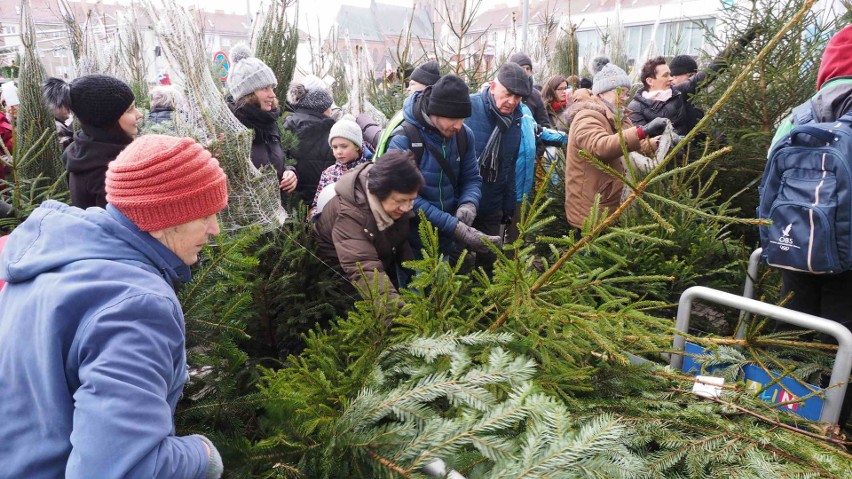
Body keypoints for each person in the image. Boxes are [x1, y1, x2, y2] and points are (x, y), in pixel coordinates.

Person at [0, 134, 227, 479]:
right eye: (205, 215)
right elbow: (119, 469)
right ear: (165, 217)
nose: (216, 230)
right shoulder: (137, 306)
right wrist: (203, 454)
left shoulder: (55, 259)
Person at [766, 25, 852, 429]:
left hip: (794, 249)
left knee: (792, 330)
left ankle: (785, 411)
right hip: (848, 262)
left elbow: (768, 183)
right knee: (845, 343)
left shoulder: (798, 116)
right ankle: (837, 427)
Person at [385, 74, 496, 257]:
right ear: (435, 111)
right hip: (413, 245)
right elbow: (403, 198)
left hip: (449, 243)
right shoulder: (404, 139)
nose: (459, 126)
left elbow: (472, 178)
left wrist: (469, 203)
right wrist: (454, 227)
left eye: (463, 119)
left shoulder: (464, 135)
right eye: (454, 119)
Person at [314, 150, 423, 307]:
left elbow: (398, 241)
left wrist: (417, 279)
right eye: (400, 201)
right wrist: (401, 318)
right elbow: (364, 270)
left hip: (379, 266)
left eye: (411, 200)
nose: (407, 208)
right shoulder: (350, 214)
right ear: (379, 192)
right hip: (340, 284)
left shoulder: (395, 199)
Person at [564, 62, 665, 234]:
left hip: (613, 202)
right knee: (590, 259)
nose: (625, 97)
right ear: (602, 92)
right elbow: (600, 146)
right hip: (593, 207)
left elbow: (633, 148)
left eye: (626, 93)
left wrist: (660, 142)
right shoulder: (587, 116)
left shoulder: (620, 117)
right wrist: (642, 131)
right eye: (620, 92)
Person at [465, 63, 530, 273]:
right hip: (464, 205)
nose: (512, 102)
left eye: (518, 97)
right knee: (460, 261)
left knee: (488, 261)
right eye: (508, 94)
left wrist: (508, 205)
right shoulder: (469, 108)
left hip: (492, 205)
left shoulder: (516, 120)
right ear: (493, 87)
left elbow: (509, 166)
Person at [42, 74, 143, 208]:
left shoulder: (88, 152)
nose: (139, 114)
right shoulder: (105, 173)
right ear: (106, 119)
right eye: (129, 110)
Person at [227, 45, 298, 202]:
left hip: (275, 211)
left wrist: (288, 172)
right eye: (265, 88)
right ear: (248, 94)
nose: (272, 94)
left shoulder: (269, 121)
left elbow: (274, 160)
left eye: (272, 87)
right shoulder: (230, 128)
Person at [361, 60, 442, 154]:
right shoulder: (406, 112)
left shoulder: (437, 118)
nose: (408, 88)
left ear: (427, 87)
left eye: (412, 84)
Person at [283, 78, 338, 203]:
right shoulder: (331, 131)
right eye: (330, 107)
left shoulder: (286, 124)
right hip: (322, 200)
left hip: (291, 201)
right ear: (323, 108)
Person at [310, 114, 373, 219]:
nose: (339, 152)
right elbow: (317, 204)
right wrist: (313, 219)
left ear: (357, 146)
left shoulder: (370, 170)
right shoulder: (328, 173)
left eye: (344, 146)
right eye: (334, 147)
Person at [508, 52, 551, 128]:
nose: (525, 71)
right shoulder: (505, 92)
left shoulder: (535, 95)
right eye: (521, 68)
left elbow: (545, 124)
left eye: (528, 69)